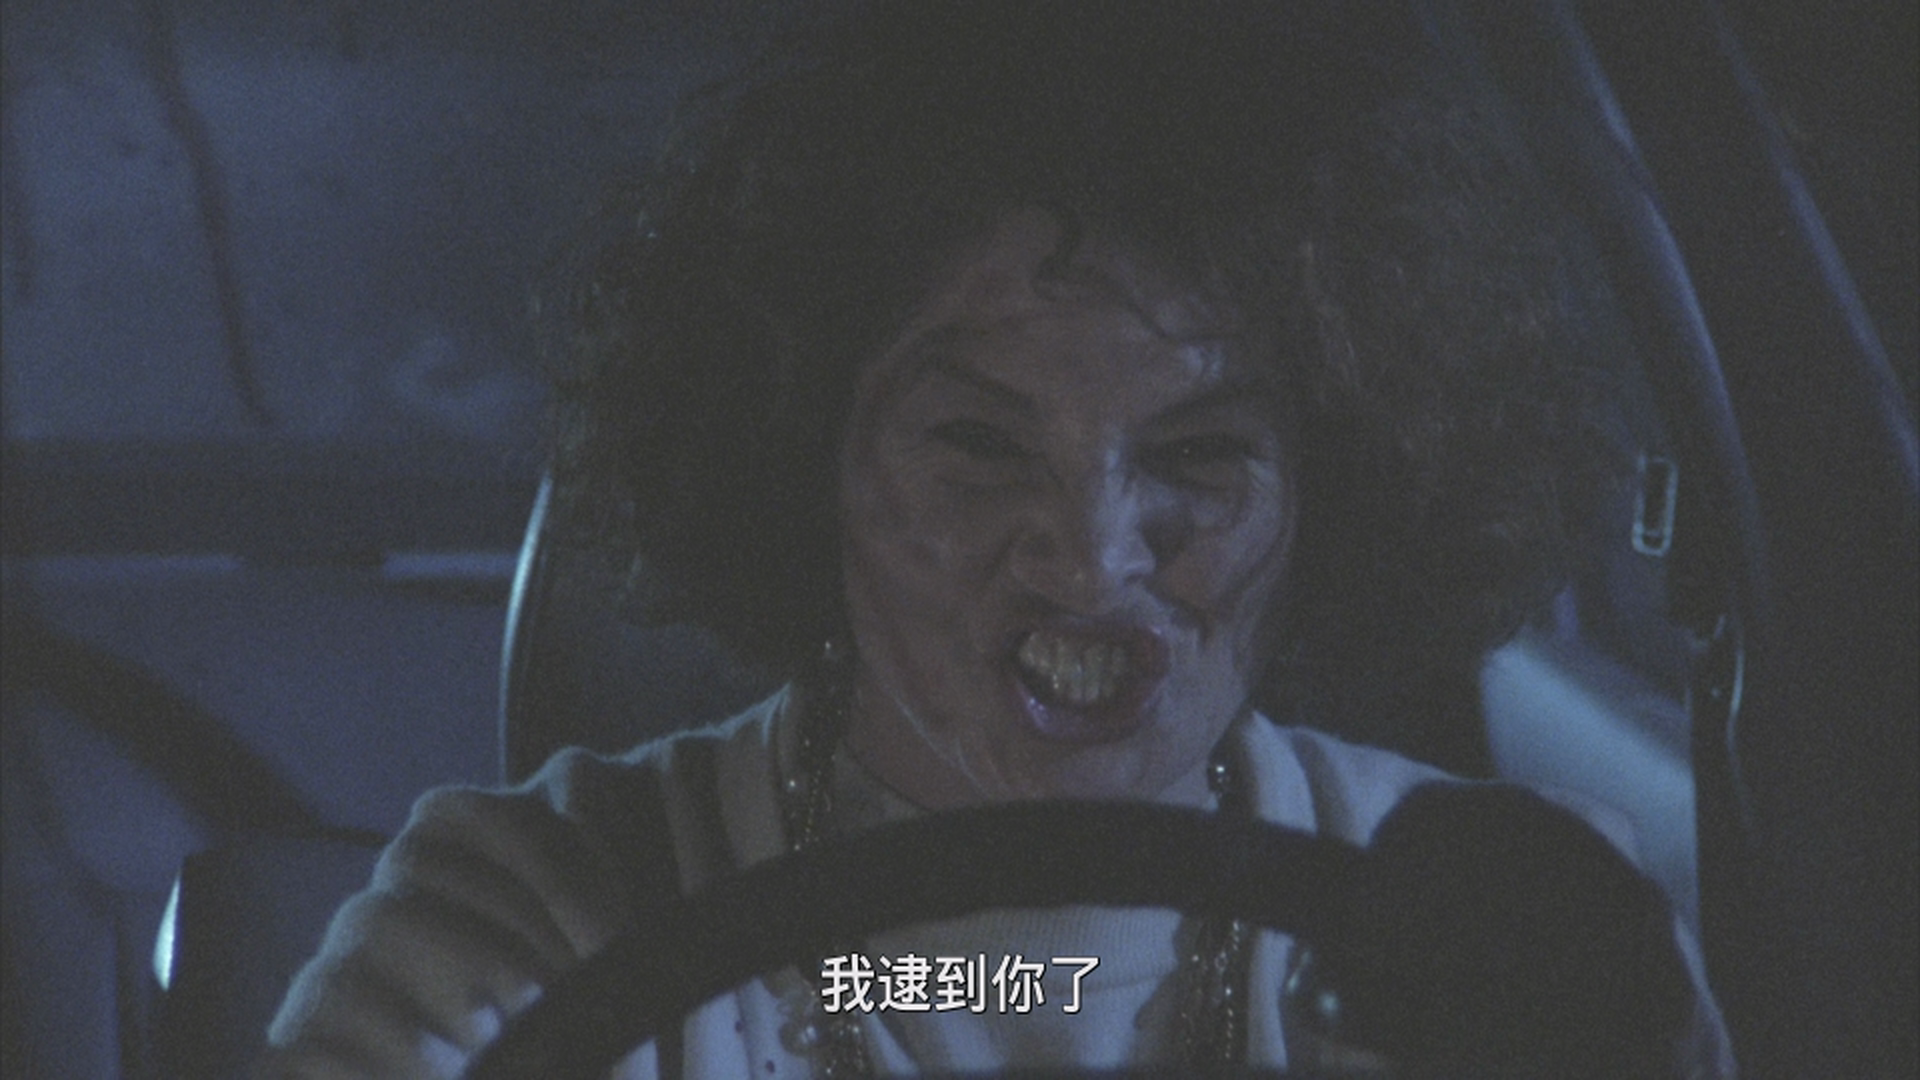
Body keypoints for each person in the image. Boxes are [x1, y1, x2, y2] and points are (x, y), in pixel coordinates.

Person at [260, 3, 1737, 1076]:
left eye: (1198, 457)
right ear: (803, 455)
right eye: (979, 445)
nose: (1090, 561)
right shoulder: (523, 919)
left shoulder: (1506, 941)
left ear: (1333, 485)